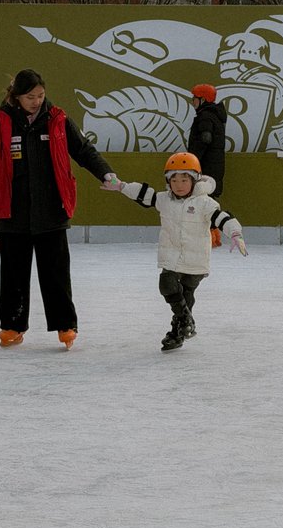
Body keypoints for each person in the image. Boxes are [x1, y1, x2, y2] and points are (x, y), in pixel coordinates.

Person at [0, 69, 115, 350]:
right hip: (12, 211)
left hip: (52, 210)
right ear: (16, 97)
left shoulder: (58, 120)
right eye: (30, 97)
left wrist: (105, 174)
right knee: (13, 274)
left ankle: (65, 325)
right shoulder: (0, 123)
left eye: (40, 95)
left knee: (56, 273)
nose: (36, 101)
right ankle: (12, 326)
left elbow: (84, 150)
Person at [102, 151, 247, 352]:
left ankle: (177, 332)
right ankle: (186, 321)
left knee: (187, 293)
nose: (179, 184)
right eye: (174, 179)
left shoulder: (204, 202)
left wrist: (236, 233)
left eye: (184, 179)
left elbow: (222, 218)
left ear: (194, 180)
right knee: (167, 284)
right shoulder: (164, 199)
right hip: (171, 256)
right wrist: (121, 186)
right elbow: (144, 193)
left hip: (196, 258)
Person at [187, 82, 228, 247]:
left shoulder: (205, 116)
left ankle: (209, 238)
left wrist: (192, 160)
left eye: (194, 99)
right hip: (214, 166)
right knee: (209, 201)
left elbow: (205, 138)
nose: (192, 102)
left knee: (204, 201)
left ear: (202, 99)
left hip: (206, 167)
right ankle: (214, 236)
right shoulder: (214, 115)